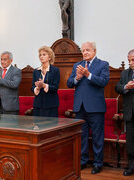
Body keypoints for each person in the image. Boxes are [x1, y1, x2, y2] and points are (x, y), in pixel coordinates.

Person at [67, 42, 110, 174]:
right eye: (83, 50)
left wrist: (88, 75)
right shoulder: (77, 65)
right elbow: (69, 83)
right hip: (80, 107)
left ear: (94, 51)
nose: (85, 52)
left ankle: (98, 163)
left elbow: (104, 81)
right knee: (82, 136)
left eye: (88, 50)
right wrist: (77, 78)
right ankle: (82, 161)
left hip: (96, 107)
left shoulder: (103, 64)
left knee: (97, 136)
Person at [115, 49, 134, 176]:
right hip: (130, 113)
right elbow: (118, 87)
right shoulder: (125, 73)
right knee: (131, 143)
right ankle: (131, 166)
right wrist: (126, 87)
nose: (131, 63)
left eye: (133, 60)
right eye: (129, 60)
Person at [31, 46, 60, 117]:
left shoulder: (55, 71)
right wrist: (37, 88)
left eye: (44, 54)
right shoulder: (36, 71)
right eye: (40, 55)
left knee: (51, 127)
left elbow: (55, 87)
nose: (41, 56)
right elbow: (32, 87)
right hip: (38, 105)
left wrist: (44, 85)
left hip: (51, 105)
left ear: (49, 57)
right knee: (38, 127)